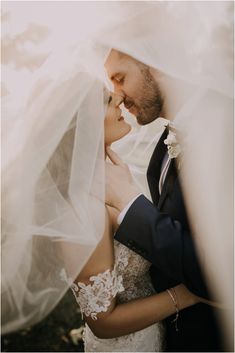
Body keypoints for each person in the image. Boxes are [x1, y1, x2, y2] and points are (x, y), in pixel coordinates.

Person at [62, 89, 201, 352]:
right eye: (105, 100)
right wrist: (190, 293)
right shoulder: (86, 208)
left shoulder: (115, 176)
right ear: (80, 125)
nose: (119, 99)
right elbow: (102, 323)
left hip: (157, 333)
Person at [104, 49, 224, 352]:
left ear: (156, 64)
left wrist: (130, 203)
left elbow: (221, 271)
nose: (117, 96)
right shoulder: (164, 144)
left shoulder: (223, 131)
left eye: (120, 78)